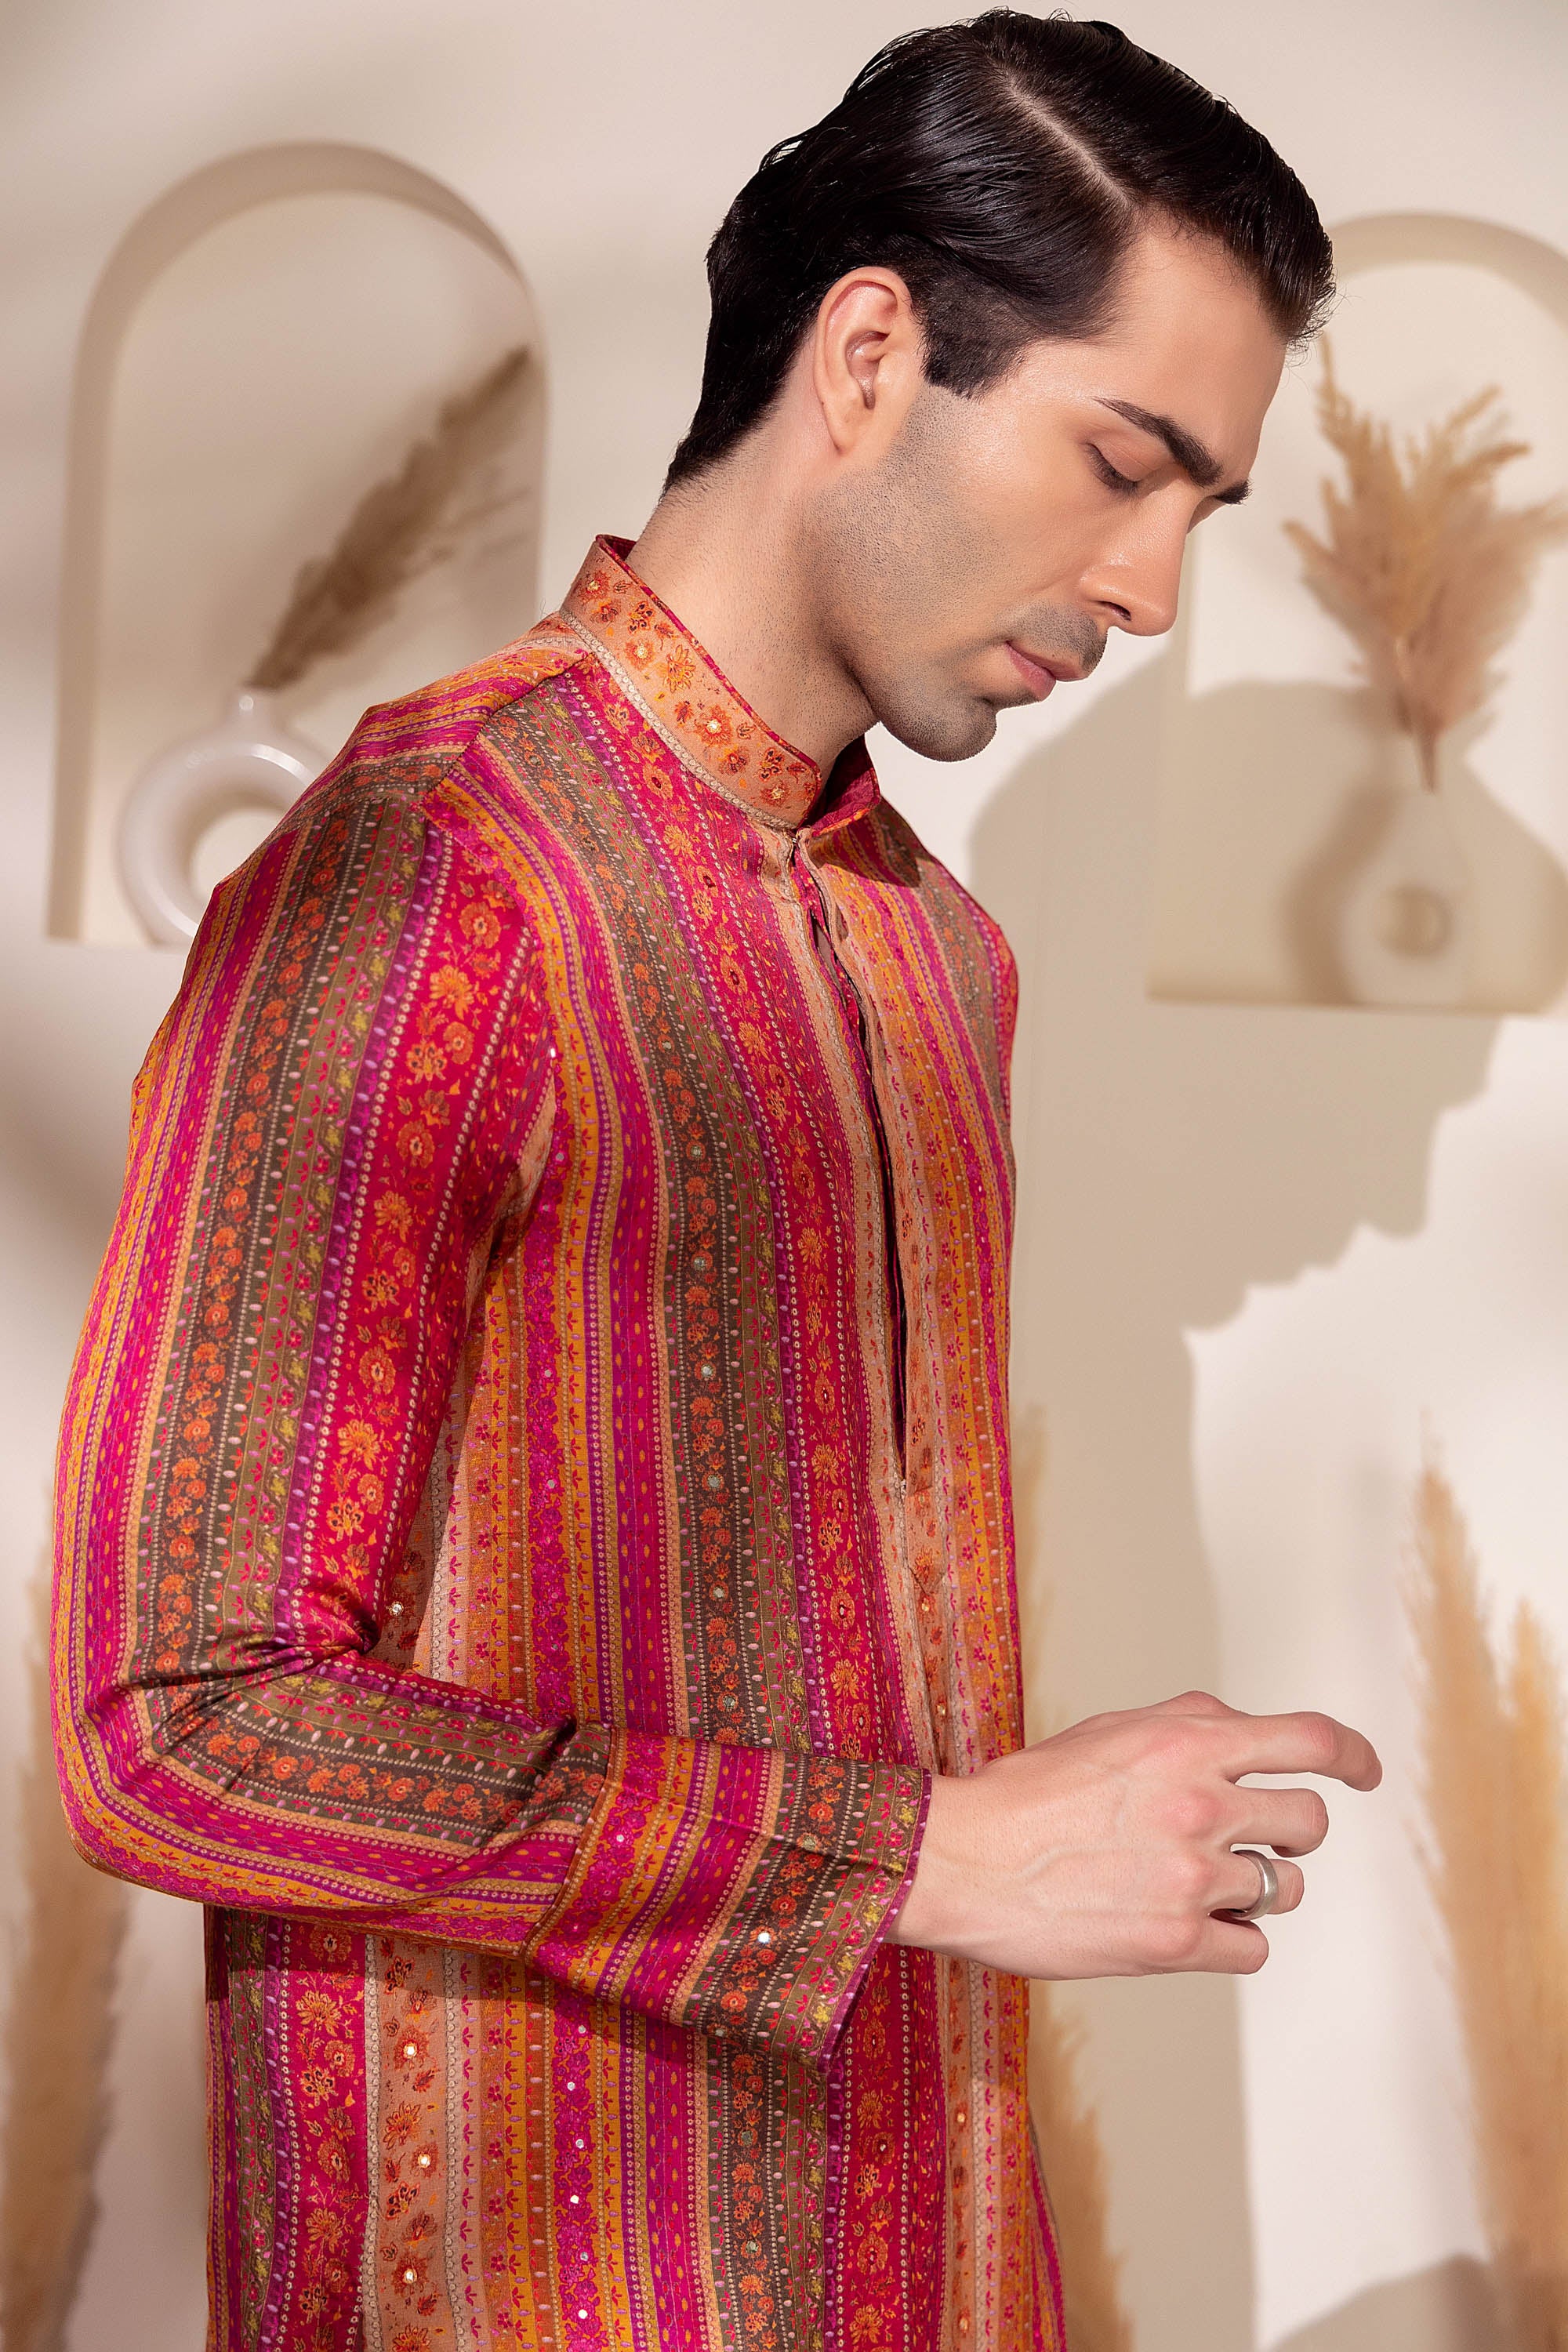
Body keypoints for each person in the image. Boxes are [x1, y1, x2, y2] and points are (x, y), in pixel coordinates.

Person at [53, 14, 1381, 2350]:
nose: (1155, 587)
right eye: (1121, 463)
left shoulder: (936, 953)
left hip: (921, 2262)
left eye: (1204, 510)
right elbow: (174, 1721)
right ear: (869, 356)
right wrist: (935, 1854)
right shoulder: (428, 878)